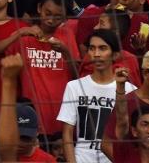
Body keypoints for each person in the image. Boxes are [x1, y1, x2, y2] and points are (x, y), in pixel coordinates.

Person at [0, 0, 79, 135]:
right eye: (47, 13)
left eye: (57, 17)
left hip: (62, 114)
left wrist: (66, 52)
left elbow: (77, 77)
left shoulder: (68, 36)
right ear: (39, 8)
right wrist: (20, 32)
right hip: (30, 118)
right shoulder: (25, 36)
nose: (51, 20)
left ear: (64, 18)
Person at [57, 30, 136, 163]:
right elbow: (67, 133)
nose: (96, 54)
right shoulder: (74, 87)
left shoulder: (130, 90)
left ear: (115, 54)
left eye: (102, 48)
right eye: (92, 48)